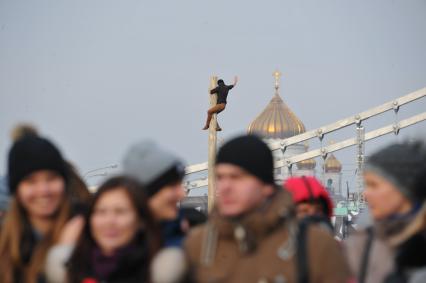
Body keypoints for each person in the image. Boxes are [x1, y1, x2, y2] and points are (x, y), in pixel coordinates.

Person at [185, 135, 350, 283]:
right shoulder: (197, 245)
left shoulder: (315, 245)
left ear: (266, 186)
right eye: (220, 177)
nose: (225, 187)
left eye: (237, 177)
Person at [0, 134, 84, 283]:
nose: (43, 190)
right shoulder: (5, 243)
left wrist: (64, 253)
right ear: (16, 189)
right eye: (30, 181)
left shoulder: (90, 231)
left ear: (64, 182)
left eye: (51, 178)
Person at [47, 176, 161, 283]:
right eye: (101, 212)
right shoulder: (69, 269)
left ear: (141, 220)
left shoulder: (159, 272)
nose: (109, 221)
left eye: (120, 211)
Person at [344, 141, 426, 283]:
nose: (365, 194)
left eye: (374, 185)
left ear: (404, 188)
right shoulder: (360, 242)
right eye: (365, 185)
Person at [123, 139, 186, 247]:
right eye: (172, 186)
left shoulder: (188, 241)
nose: (182, 194)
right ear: (149, 192)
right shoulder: (117, 249)